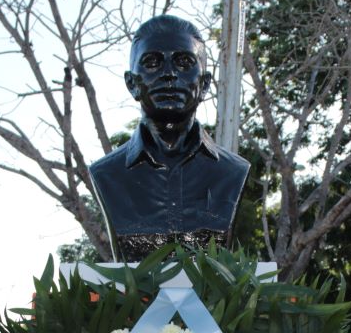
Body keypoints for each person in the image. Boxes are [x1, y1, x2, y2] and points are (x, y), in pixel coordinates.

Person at [88, 14, 250, 261]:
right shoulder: (107, 174)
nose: (169, 74)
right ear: (131, 84)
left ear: (204, 84)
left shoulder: (233, 172)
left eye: (184, 62)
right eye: (152, 62)